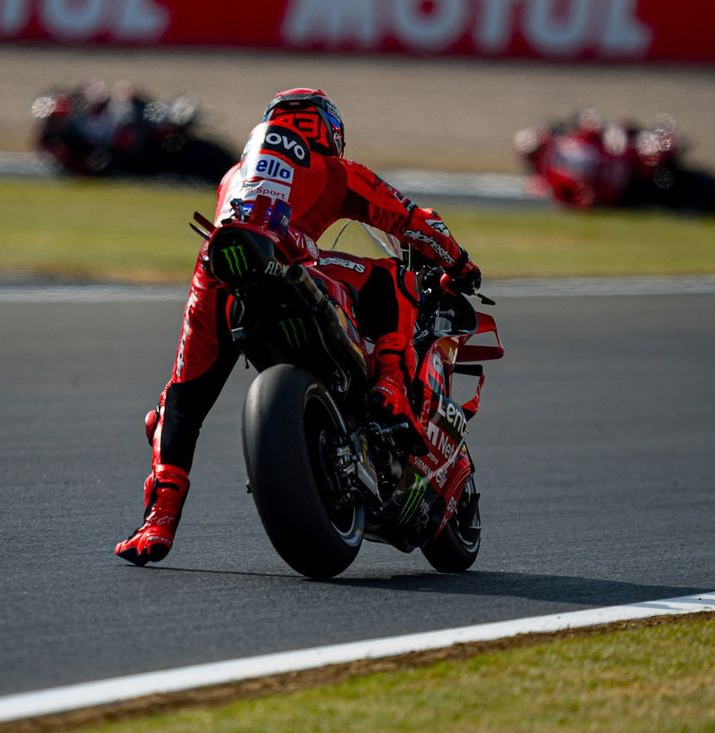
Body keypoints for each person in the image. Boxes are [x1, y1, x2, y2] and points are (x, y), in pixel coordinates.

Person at [115, 88, 482, 566]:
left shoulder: (233, 174)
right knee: (397, 279)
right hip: (291, 262)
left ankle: (157, 521)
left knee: (181, 399)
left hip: (219, 268)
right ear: (329, 131)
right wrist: (460, 264)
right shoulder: (334, 169)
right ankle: (390, 385)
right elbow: (414, 222)